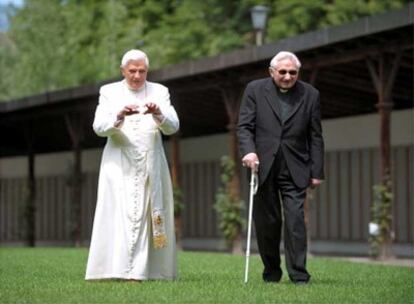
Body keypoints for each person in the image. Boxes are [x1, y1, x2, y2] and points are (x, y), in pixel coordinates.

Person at [85, 49, 179, 281]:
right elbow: (98, 127)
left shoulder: (160, 91)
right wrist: (118, 116)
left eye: (142, 71)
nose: (137, 76)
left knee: (149, 215)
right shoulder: (109, 92)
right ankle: (114, 270)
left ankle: (145, 272)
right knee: (118, 216)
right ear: (123, 71)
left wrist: (158, 113)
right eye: (132, 71)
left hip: (151, 163)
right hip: (119, 164)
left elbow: (173, 126)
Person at [237, 51, 324, 284]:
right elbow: (245, 126)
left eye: (292, 72)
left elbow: (315, 135)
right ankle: (271, 272)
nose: (287, 76)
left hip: (296, 167)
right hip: (262, 166)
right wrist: (248, 151)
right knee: (268, 223)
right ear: (272, 71)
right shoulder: (254, 90)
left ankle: (299, 275)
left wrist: (317, 172)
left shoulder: (311, 94)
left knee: (295, 220)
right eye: (283, 72)